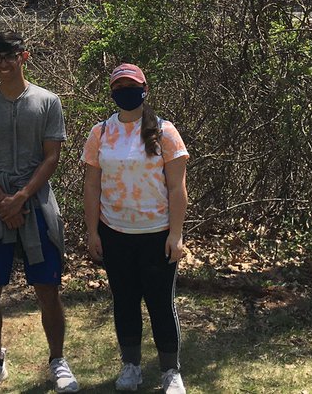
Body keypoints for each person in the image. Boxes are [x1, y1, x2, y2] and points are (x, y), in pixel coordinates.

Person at [0, 31, 79, 393]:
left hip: (37, 204)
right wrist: (2, 200)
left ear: (23, 56)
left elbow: (51, 157)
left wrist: (22, 196)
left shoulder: (48, 101)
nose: (2, 63)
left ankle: (58, 359)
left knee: (48, 287)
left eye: (9, 55)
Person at [82, 63, 189, 393]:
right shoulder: (100, 133)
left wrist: (176, 233)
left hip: (156, 234)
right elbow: (91, 187)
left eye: (132, 85)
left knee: (160, 304)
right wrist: (92, 231)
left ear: (144, 90)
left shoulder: (164, 131)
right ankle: (131, 366)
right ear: (112, 93)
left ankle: (170, 371)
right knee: (125, 301)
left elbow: (177, 187)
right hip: (115, 233)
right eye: (119, 86)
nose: (125, 91)